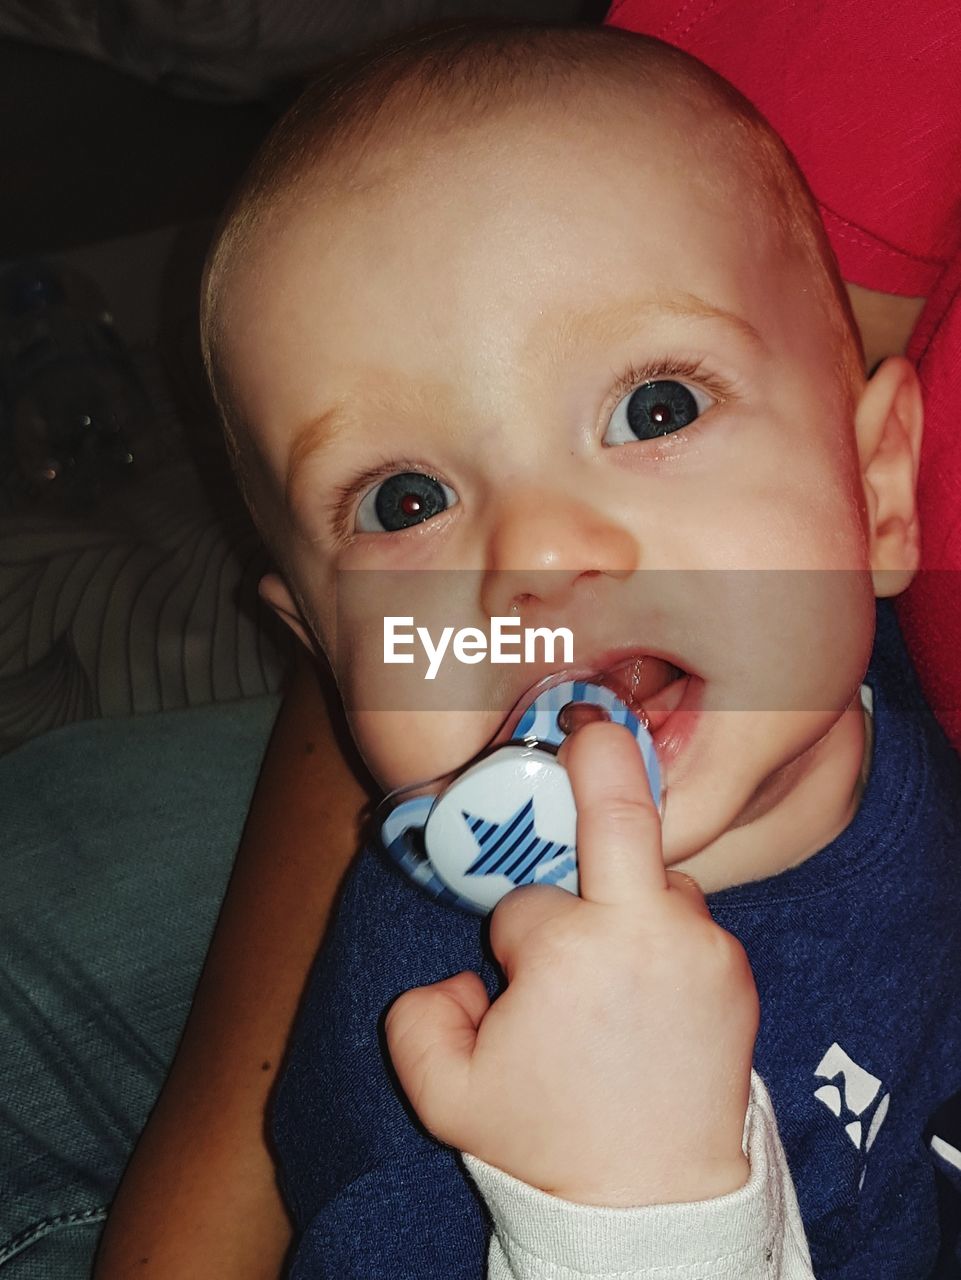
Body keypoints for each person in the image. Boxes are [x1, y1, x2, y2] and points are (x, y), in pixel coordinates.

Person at [180, 21, 960, 1278]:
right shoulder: (442, 1043)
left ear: (873, 493)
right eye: (404, 501)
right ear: (328, 650)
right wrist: (623, 1217)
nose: (535, 551)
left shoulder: (895, 708)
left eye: (655, 407)